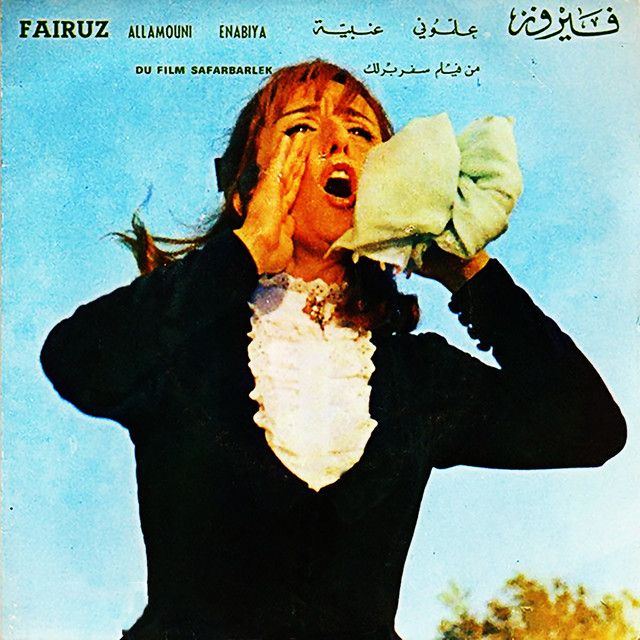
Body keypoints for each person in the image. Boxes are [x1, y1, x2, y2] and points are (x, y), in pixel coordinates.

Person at [40, 60, 626, 640]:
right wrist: (245, 251)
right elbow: (77, 362)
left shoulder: (415, 376)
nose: (336, 141)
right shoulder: (183, 343)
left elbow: (590, 427)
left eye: (360, 131)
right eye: (300, 126)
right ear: (245, 191)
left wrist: (469, 272)